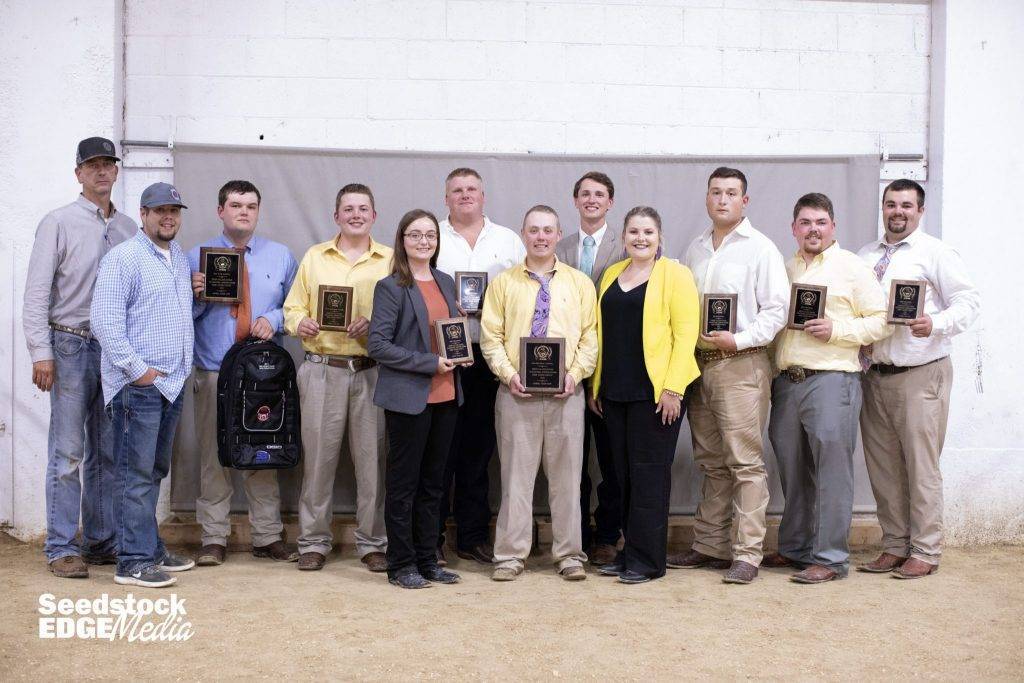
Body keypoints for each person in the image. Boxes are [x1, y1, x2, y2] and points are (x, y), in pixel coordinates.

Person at [22, 137, 137, 578]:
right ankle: (60, 547)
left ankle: (100, 540)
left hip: (113, 349)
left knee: (106, 451)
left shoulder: (129, 228)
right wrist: (40, 352)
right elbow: (36, 293)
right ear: (78, 174)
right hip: (69, 344)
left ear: (116, 171)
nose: (102, 172)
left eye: (108, 164)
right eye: (93, 165)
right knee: (68, 451)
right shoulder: (58, 223)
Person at [671, 167, 790, 584]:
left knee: (744, 462)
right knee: (711, 462)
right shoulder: (696, 249)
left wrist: (738, 340)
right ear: (707, 198)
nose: (722, 199)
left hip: (742, 364)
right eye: (716, 192)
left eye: (731, 193)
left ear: (745, 201)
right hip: (700, 365)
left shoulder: (761, 249)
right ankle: (710, 546)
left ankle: (747, 553)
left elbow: (777, 310)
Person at [856, 179, 979, 579]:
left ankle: (926, 549)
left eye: (907, 205)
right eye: (891, 204)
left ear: (920, 211)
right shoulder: (866, 256)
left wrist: (936, 322)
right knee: (883, 467)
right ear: (883, 207)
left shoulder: (935, 253)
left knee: (921, 467)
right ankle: (894, 545)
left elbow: (968, 302)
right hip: (875, 375)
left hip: (921, 373)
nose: (898, 211)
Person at [766, 192, 892, 584]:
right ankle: (796, 548)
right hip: (788, 381)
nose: (813, 229)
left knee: (832, 471)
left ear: (833, 227)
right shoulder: (783, 269)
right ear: (794, 228)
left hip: (832, 380)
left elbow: (881, 321)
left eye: (821, 222)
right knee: (793, 471)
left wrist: (837, 330)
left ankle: (831, 557)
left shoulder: (852, 267)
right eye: (805, 222)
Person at [480, 205, 597, 582]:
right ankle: (511, 556)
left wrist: (575, 375)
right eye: (534, 230)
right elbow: (490, 338)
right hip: (516, 396)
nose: (541, 237)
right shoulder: (503, 284)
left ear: (557, 234)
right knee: (515, 479)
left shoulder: (579, 283)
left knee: (567, 479)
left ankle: (569, 555)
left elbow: (590, 337)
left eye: (548, 230)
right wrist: (509, 374)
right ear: (524, 234)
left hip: (567, 395)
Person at [188, 180, 299, 567]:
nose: (244, 211)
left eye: (251, 206)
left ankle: (267, 536)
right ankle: (213, 538)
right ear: (221, 210)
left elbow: (298, 308)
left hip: (262, 376)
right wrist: (197, 297)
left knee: (262, 454)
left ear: (258, 211)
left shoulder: (281, 256)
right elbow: (179, 320)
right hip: (214, 370)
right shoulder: (194, 258)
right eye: (236, 205)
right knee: (213, 457)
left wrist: (274, 317)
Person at [90, 182, 196, 587]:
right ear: (144, 213)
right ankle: (131, 561)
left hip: (170, 383)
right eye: (160, 210)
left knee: (152, 470)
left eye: (174, 210)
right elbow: (105, 323)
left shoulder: (177, 257)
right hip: (140, 385)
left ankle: (148, 547)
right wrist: (139, 371)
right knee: (134, 474)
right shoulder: (125, 258)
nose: (168, 217)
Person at [284, 183, 391, 572]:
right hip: (322, 369)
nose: (356, 214)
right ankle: (313, 541)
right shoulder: (315, 257)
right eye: (348, 209)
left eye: (363, 208)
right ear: (337, 216)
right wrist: (302, 322)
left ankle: (373, 542)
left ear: (374, 216)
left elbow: (399, 319)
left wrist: (374, 325)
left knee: (373, 464)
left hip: (370, 372)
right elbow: (291, 308)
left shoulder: (390, 260)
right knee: (318, 462)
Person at [589, 207, 700, 584]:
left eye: (648, 232)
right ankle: (627, 553)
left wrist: (673, 389)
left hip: (656, 395)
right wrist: (596, 385)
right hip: (614, 392)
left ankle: (648, 560)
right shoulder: (612, 275)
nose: (641, 238)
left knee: (649, 478)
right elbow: (603, 334)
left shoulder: (675, 275)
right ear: (623, 237)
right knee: (621, 478)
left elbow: (686, 335)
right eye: (634, 231)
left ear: (659, 237)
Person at [368, 209, 464, 589]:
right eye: (415, 235)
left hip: (447, 396)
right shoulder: (391, 286)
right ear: (402, 240)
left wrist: (458, 353)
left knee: (434, 485)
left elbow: (449, 333)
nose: (424, 241)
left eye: (430, 235)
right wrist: (429, 363)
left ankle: (428, 559)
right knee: (404, 484)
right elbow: (378, 345)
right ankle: (401, 563)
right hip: (410, 398)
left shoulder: (444, 281)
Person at [434, 167, 525, 566]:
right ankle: (431, 538)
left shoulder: (508, 240)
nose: (465, 195)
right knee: (438, 450)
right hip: (440, 358)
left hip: (489, 357)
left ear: (483, 196)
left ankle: (472, 538)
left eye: (472, 189)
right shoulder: (431, 236)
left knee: (478, 451)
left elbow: (526, 289)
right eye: (457, 190)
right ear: (446, 197)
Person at [555, 171, 624, 566]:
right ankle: (574, 536)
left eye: (599, 194)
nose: (592, 200)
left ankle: (608, 534)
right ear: (576, 201)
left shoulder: (627, 245)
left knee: (611, 459)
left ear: (609, 202)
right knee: (571, 460)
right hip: (563, 368)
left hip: (612, 367)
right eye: (585, 194)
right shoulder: (558, 245)